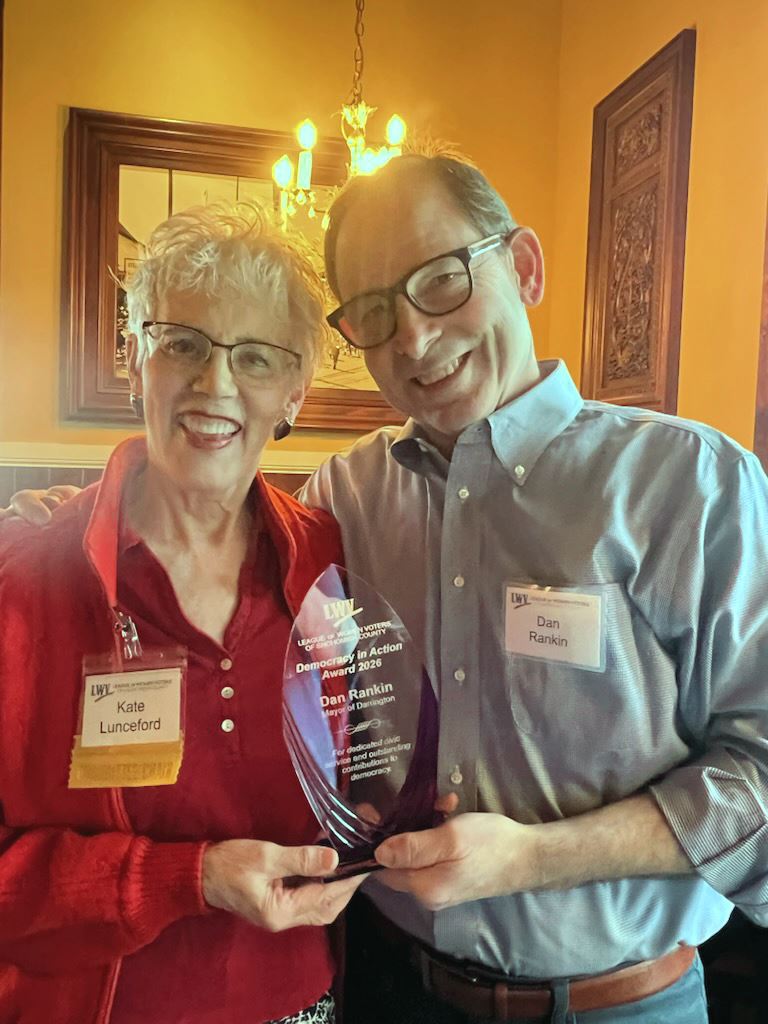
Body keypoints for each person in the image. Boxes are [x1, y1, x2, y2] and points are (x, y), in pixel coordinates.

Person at [10, 153, 768, 1024]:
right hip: (385, 988)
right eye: (374, 312)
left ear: (523, 266)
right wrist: (54, 524)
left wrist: (531, 859)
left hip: (619, 1004)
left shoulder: (691, 484)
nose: (412, 337)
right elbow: (197, 509)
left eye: (442, 280)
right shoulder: (343, 505)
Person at [0, 203, 364, 1024]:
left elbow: (366, 773)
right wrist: (189, 877)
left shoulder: (326, 569)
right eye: (184, 344)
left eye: (257, 357)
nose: (215, 385)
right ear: (135, 360)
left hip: (304, 1007)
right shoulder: (24, 581)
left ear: (295, 394)